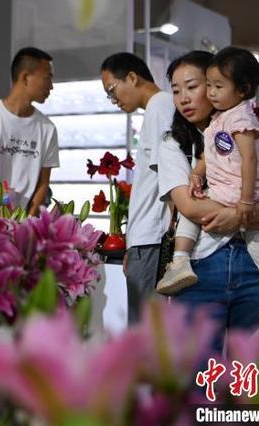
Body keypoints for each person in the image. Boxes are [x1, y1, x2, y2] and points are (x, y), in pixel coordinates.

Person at [157, 50, 259, 350]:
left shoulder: (256, 132)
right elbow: (189, 206)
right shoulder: (173, 144)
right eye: (176, 91)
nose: (184, 98)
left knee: (250, 378)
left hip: (257, 269)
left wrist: (242, 213)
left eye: (194, 86)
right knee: (198, 377)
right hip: (200, 267)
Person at [99, 52, 175, 325]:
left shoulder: (160, 106)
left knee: (145, 338)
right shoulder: (158, 107)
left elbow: (172, 177)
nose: (113, 99)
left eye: (112, 89)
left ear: (132, 77)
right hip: (146, 240)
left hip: (153, 240)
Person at [0, 47, 59, 216]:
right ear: (25, 77)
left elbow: (43, 184)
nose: (51, 86)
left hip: (23, 226)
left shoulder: (47, 128)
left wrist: (29, 222)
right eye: (47, 78)